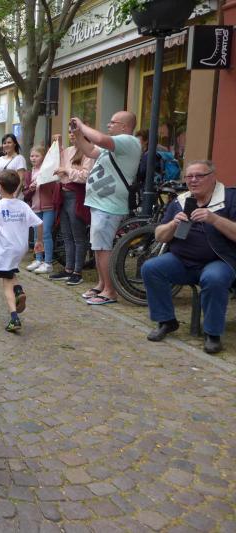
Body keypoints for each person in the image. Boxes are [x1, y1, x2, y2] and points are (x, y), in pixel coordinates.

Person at [141, 160, 236, 354]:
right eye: (189, 176)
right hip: (182, 261)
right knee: (151, 268)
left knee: (214, 278)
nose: (193, 180)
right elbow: (159, 236)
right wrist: (172, 224)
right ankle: (166, 321)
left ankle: (212, 333)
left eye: (199, 176)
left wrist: (214, 219)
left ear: (212, 177)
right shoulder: (180, 201)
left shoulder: (230, 198)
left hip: (219, 261)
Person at [71, 112, 141, 305]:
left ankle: (110, 291)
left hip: (109, 205)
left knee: (103, 247)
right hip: (100, 203)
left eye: (112, 122)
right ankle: (102, 284)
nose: (108, 125)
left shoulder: (128, 141)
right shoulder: (114, 146)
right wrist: (78, 134)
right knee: (98, 246)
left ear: (124, 127)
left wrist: (82, 125)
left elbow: (100, 139)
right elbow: (89, 150)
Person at [0, 170, 44, 333]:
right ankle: (18, 290)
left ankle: (14, 316)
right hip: (19, 247)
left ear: (0, 187)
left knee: (6, 281)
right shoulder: (23, 205)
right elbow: (39, 223)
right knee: (10, 273)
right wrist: (39, 241)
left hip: (4, 249)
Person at [49, 131, 95, 285]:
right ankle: (68, 269)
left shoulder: (88, 152)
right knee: (67, 235)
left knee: (78, 236)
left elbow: (86, 176)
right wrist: (57, 146)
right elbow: (57, 168)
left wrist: (67, 171)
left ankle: (77, 272)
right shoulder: (68, 151)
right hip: (64, 194)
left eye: (75, 132)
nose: (71, 135)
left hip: (76, 195)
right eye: (69, 132)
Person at [24, 145, 57, 274]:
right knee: (37, 235)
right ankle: (38, 259)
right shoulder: (29, 173)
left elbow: (54, 186)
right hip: (35, 207)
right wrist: (30, 189)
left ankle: (48, 262)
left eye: (37, 156)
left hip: (48, 206)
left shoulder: (48, 170)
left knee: (46, 233)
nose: (33, 158)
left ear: (43, 157)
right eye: (32, 156)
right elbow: (26, 192)